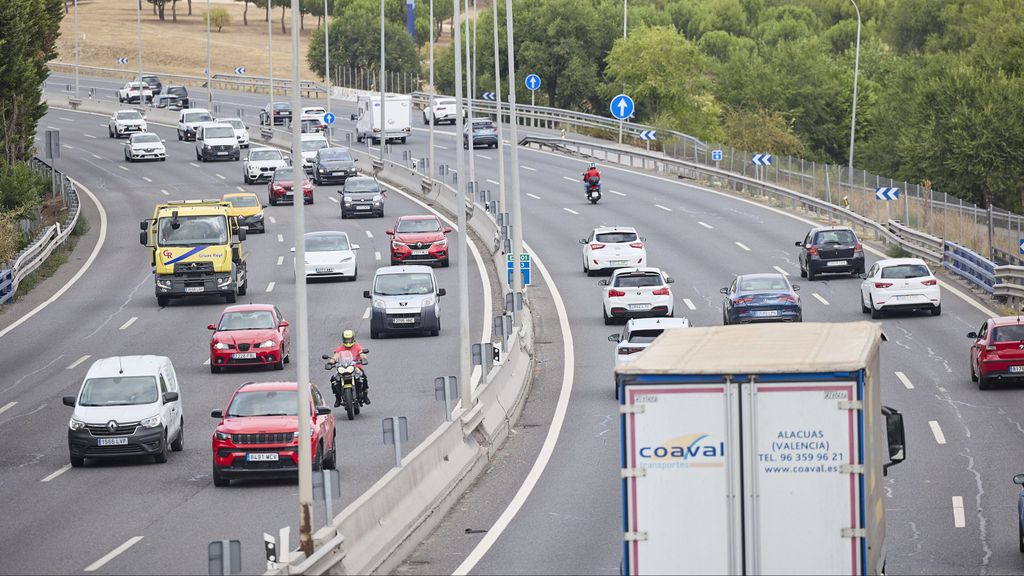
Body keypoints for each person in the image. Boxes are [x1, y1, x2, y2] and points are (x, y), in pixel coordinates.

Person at [331, 329, 370, 406]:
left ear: (353, 339)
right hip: (343, 368)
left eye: (349, 339)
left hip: (355, 367)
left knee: (363, 376)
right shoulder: (340, 348)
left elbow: (361, 353)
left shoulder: (357, 346)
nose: (348, 341)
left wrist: (363, 358)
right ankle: (338, 398)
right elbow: (336, 356)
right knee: (333, 379)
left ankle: (365, 396)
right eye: (346, 339)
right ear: (343, 339)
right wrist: (330, 362)